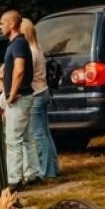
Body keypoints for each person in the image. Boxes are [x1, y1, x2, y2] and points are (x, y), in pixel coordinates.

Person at [0, 9, 41, 187]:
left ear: (12, 24)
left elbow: (19, 69)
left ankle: (14, 179)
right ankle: (33, 173)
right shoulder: (17, 43)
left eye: (2, 23)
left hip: (19, 97)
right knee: (27, 136)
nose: (0, 26)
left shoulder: (18, 44)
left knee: (13, 139)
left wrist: (12, 93)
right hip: (24, 96)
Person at [20, 17, 60, 180]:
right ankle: (53, 167)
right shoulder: (38, 48)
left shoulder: (29, 52)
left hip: (36, 94)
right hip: (43, 91)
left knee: (38, 134)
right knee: (45, 132)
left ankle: (45, 171)